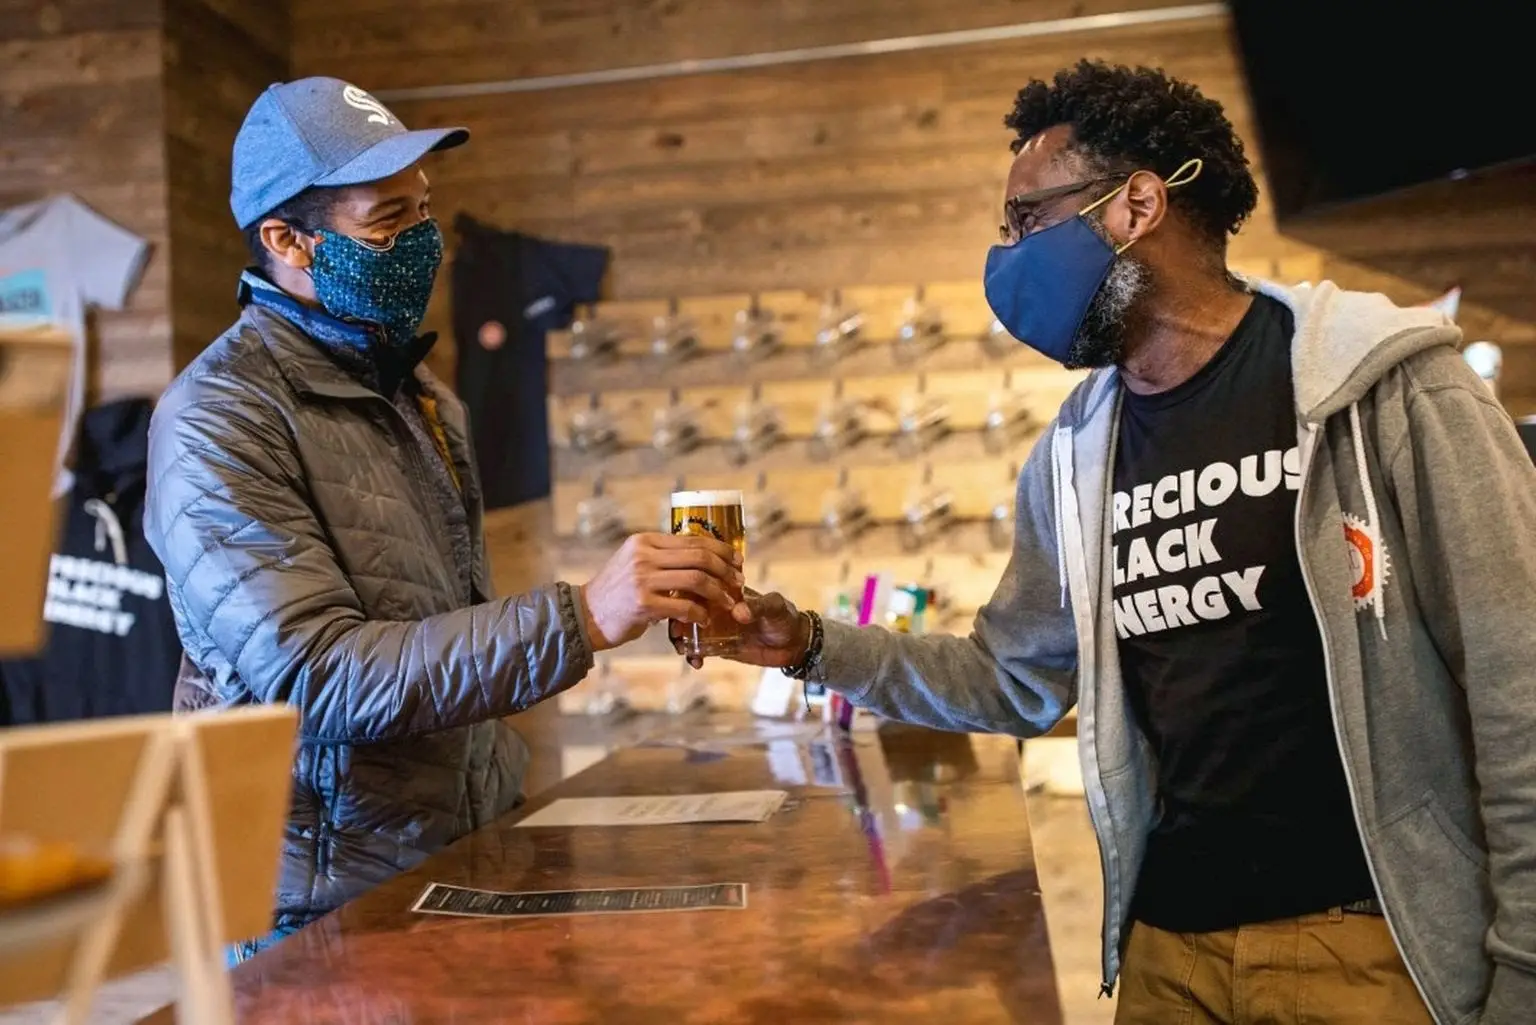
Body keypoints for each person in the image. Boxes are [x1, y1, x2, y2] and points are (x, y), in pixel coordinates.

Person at [716, 61, 1536, 1025]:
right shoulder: (1074, 452)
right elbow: (1013, 678)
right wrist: (813, 644)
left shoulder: (1389, 389)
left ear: (1136, 203)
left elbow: (1518, 683)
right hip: (1166, 950)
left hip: (1368, 944)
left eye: (1024, 219)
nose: (1006, 253)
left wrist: (1523, 969)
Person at [144, 77, 745, 960]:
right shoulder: (217, 418)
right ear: (286, 240)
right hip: (314, 922)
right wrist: (579, 616)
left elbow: (445, 645)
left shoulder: (424, 398)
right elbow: (318, 676)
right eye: (387, 220)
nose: (420, 243)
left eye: (424, 212)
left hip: (458, 871)